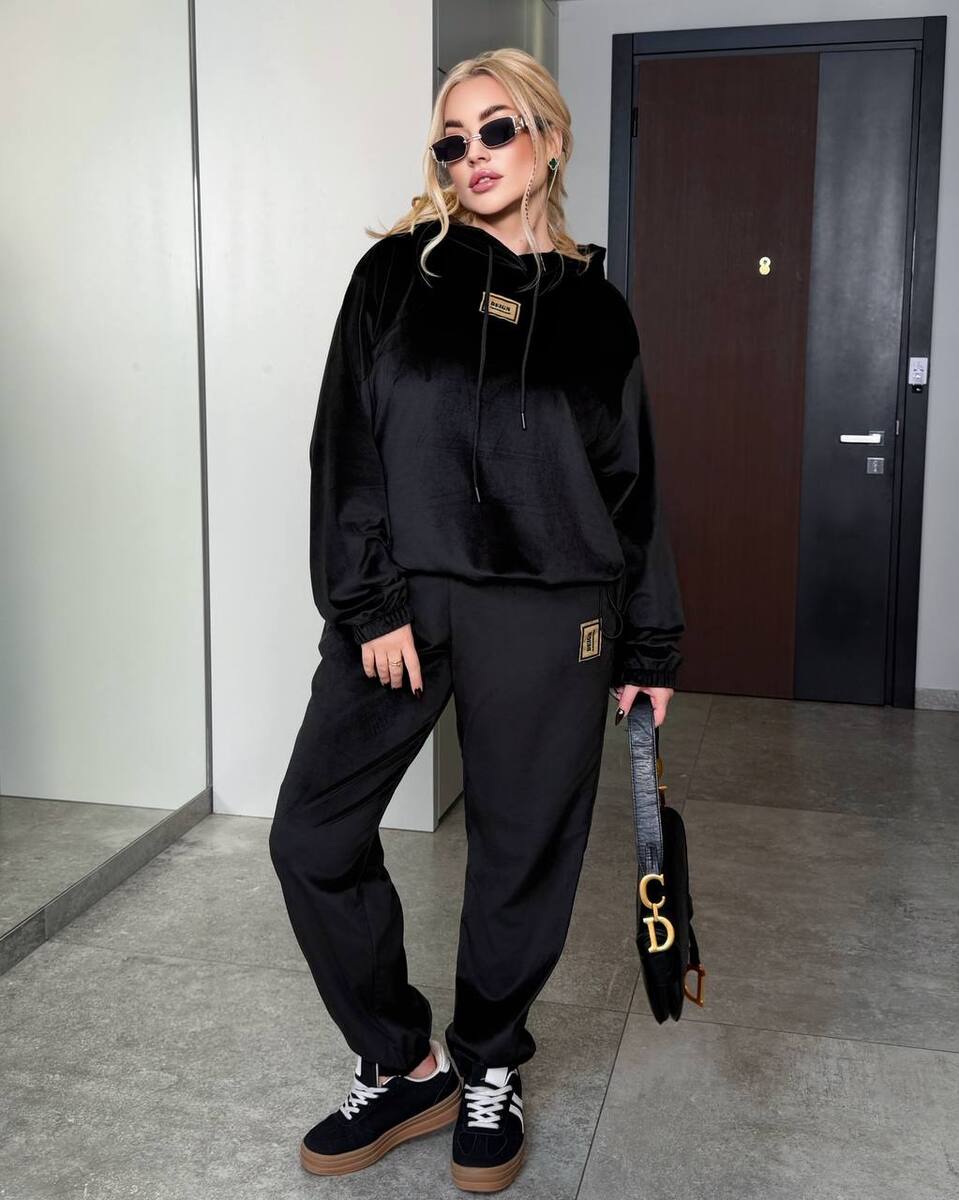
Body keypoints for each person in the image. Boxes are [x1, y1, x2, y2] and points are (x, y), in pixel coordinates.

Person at [268, 46, 685, 1193]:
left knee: (520, 850)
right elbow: (346, 448)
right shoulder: (395, 278)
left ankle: (487, 1063)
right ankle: (404, 1064)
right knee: (312, 835)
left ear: (548, 137)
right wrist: (367, 601)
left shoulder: (598, 312)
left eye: (496, 129)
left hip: (551, 617)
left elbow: (634, 489)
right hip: (403, 603)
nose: (472, 155)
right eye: (451, 140)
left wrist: (648, 643)